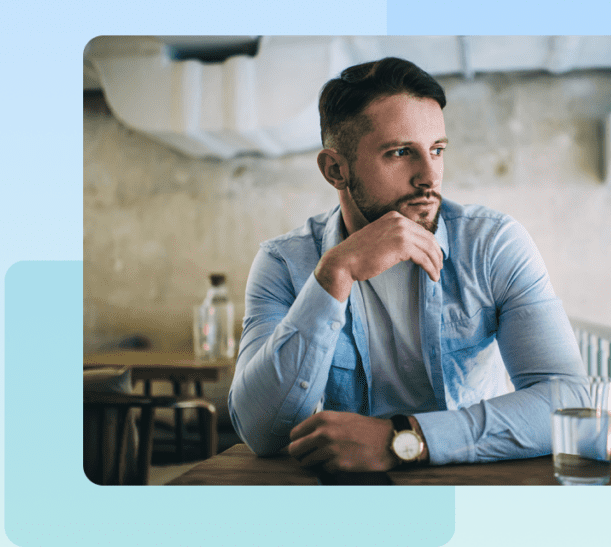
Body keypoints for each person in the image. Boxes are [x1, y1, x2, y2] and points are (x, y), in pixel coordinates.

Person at [228, 57, 585, 473]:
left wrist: (403, 439)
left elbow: (569, 402)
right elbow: (259, 431)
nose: (429, 176)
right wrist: (333, 276)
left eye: (437, 150)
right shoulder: (283, 263)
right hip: (345, 494)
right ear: (335, 170)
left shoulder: (491, 244)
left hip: (471, 479)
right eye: (400, 153)